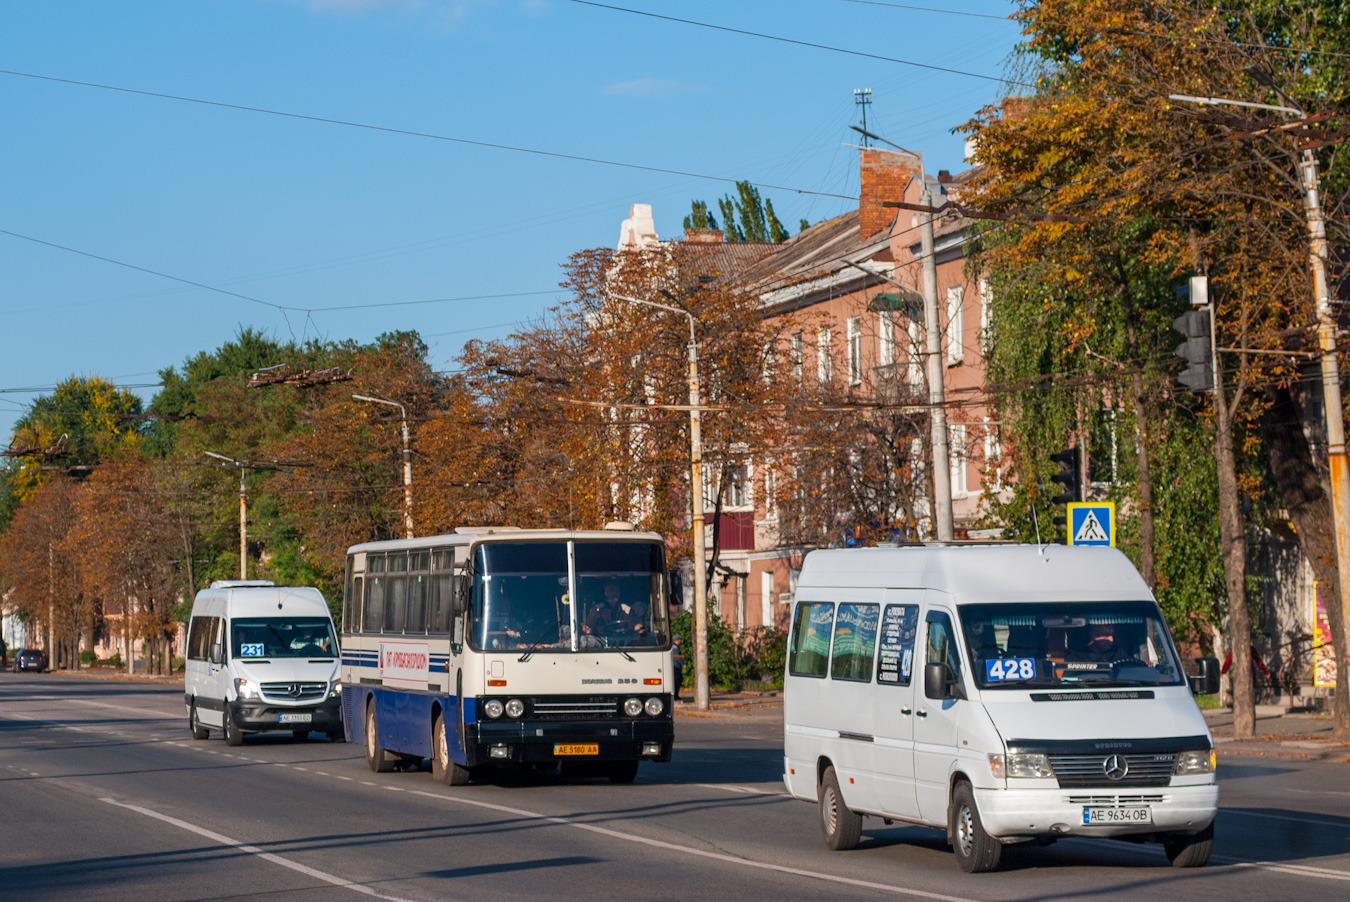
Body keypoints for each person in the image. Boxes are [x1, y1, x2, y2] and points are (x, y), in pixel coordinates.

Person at [671, 635, 685, 701]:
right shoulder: (675, 647)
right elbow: (677, 657)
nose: (680, 641)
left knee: (677, 681)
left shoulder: (673, 646)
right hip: (676, 666)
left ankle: (675, 696)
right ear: (677, 640)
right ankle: (675, 696)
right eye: (680, 640)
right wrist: (683, 663)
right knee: (677, 681)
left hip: (674, 666)